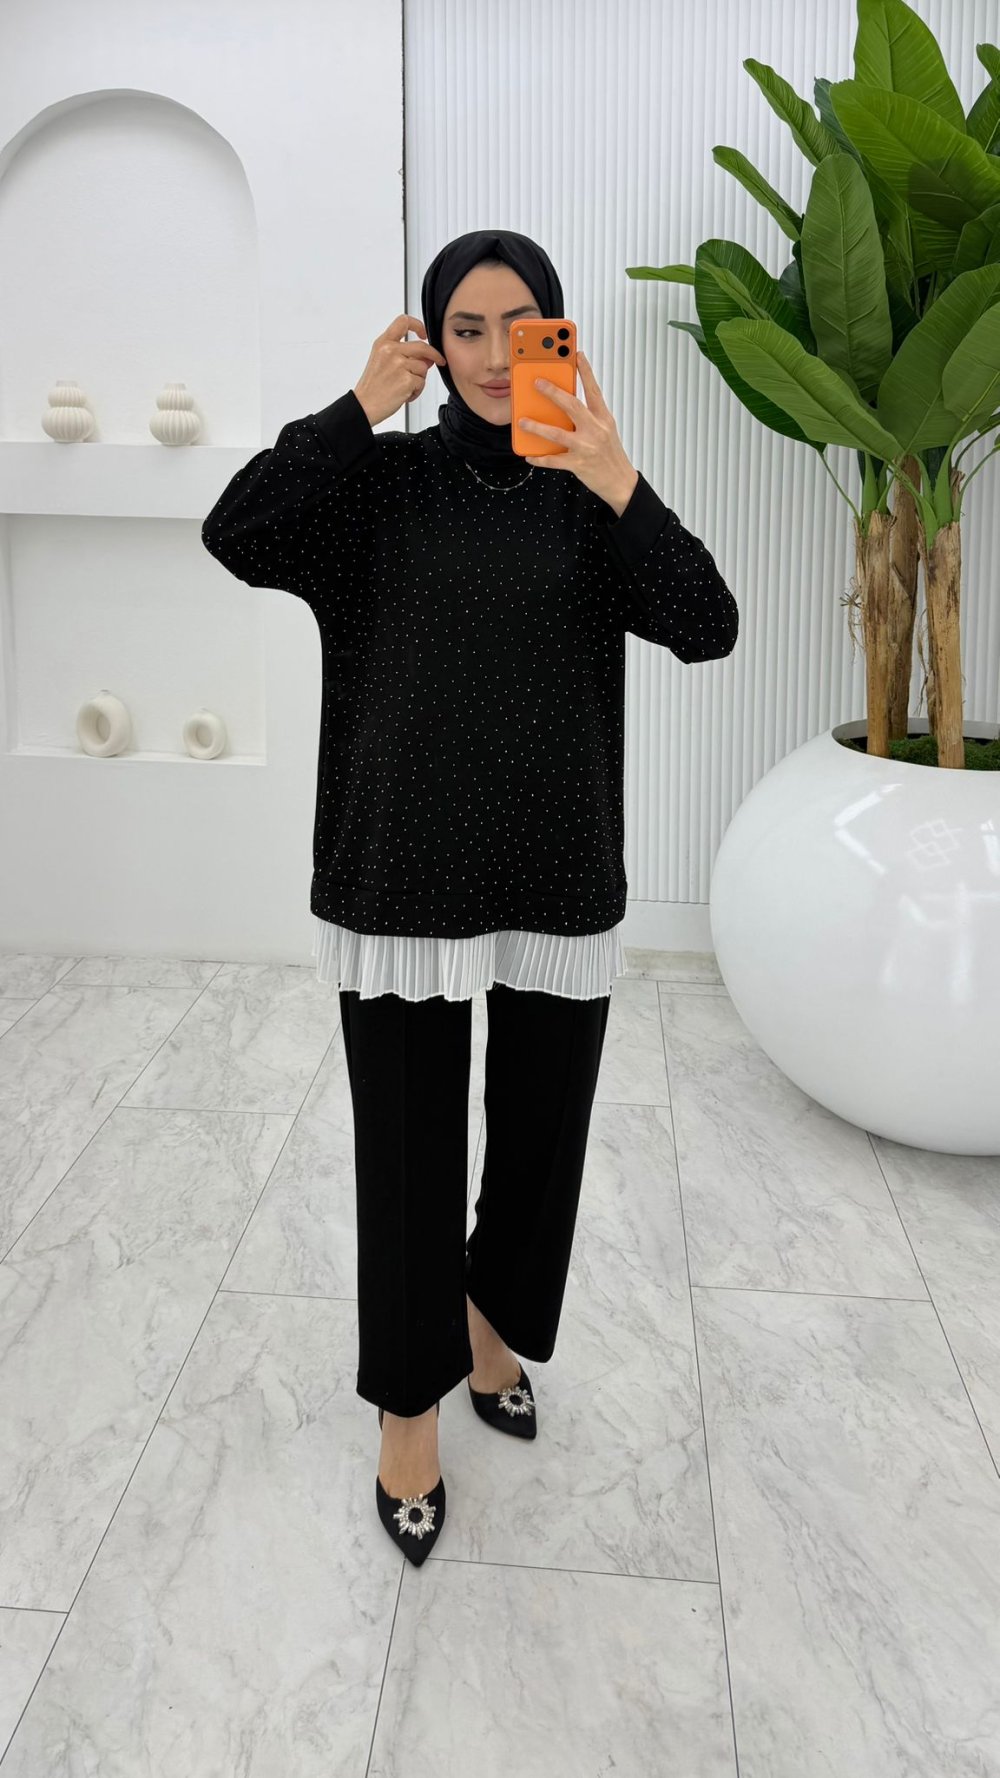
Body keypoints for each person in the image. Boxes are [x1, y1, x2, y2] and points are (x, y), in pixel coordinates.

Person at [201, 227, 739, 1563]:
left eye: (521, 326)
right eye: (467, 329)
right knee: (408, 1154)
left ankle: (492, 1323)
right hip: (401, 872)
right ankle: (408, 1409)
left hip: (555, 868)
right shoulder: (374, 487)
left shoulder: (584, 494)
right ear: (431, 344)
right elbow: (235, 530)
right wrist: (353, 410)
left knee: (543, 1140)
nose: (496, 357)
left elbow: (708, 622)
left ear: (559, 335)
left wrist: (617, 476)